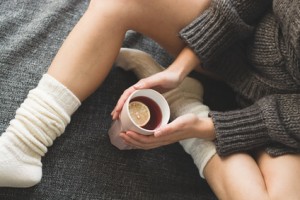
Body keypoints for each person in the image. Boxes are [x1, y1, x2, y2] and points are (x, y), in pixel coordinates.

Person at [0, 0, 298, 199]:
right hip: (249, 40)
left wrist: (207, 127)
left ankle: (183, 102)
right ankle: (23, 143)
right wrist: (179, 68)